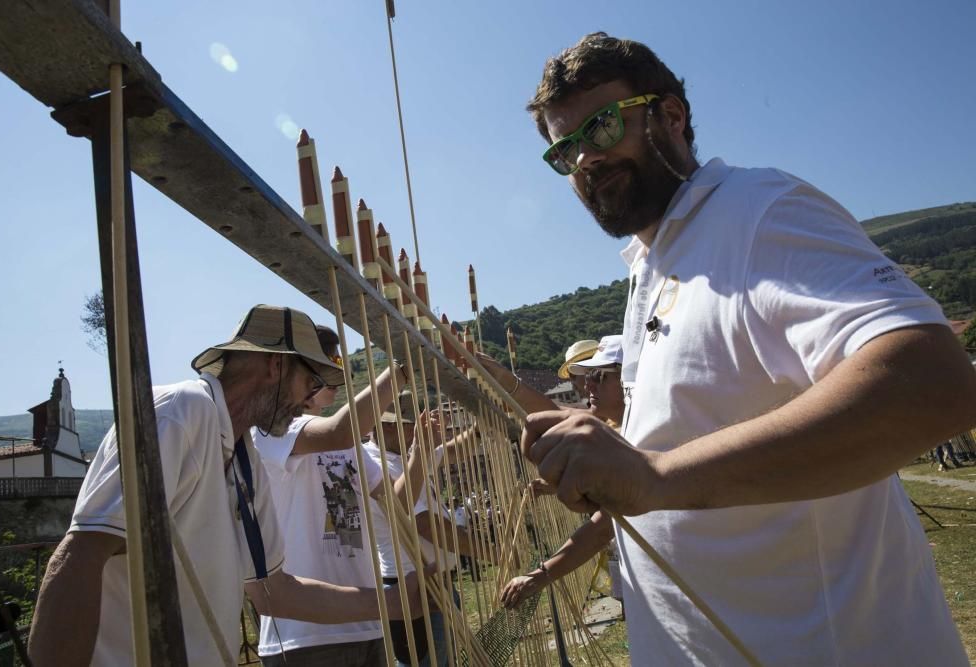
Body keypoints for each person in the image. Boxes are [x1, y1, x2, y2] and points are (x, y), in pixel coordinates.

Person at [520, 33, 976, 665]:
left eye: (599, 130)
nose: (585, 162)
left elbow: (932, 381)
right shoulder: (655, 261)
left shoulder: (757, 212)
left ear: (670, 116)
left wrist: (654, 478)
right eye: (564, 152)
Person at [28, 305, 418, 666]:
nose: (308, 399)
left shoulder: (245, 456)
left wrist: (388, 603)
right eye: (310, 381)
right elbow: (81, 554)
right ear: (274, 365)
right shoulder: (180, 412)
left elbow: (273, 592)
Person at [252, 326, 438, 666]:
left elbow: (395, 504)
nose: (334, 380)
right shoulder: (271, 430)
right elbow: (339, 431)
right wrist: (404, 369)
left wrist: (419, 456)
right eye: (324, 371)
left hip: (367, 624)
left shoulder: (346, 443)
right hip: (305, 634)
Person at [500, 336, 623, 609]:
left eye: (596, 375)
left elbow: (605, 523)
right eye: (581, 375)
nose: (583, 384)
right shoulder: (612, 423)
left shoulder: (630, 431)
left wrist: (505, 380)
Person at [364, 392, 482, 667]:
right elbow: (422, 522)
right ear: (388, 426)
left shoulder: (403, 453)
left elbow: (454, 450)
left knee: (442, 659)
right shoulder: (375, 462)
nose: (415, 432)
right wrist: (489, 551)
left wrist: (481, 428)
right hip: (411, 585)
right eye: (411, 426)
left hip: (433, 581)